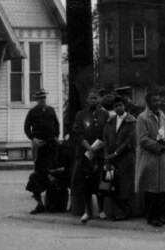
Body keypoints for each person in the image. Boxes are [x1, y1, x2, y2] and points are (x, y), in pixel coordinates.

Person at [135, 90, 165, 227]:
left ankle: (161, 215)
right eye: (154, 101)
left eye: (158, 100)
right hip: (149, 157)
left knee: (162, 188)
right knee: (151, 189)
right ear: (148, 102)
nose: (157, 103)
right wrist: (158, 146)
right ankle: (151, 217)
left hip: (162, 157)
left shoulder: (162, 115)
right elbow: (143, 140)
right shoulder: (142, 118)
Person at [71, 89, 109, 221]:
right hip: (86, 154)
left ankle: (102, 210)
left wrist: (103, 145)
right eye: (91, 98)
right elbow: (78, 133)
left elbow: (107, 132)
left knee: (101, 183)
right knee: (86, 183)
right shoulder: (80, 115)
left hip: (100, 154)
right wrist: (88, 147)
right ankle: (88, 211)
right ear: (87, 100)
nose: (94, 100)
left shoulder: (104, 114)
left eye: (96, 98)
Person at [24, 90, 62, 214]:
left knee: (54, 173)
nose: (42, 100)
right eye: (40, 98)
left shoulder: (51, 110)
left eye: (44, 98)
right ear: (37, 99)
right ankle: (39, 204)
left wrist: (56, 136)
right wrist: (33, 139)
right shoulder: (33, 112)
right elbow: (26, 127)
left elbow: (56, 124)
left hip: (51, 146)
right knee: (37, 175)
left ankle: (55, 203)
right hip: (40, 146)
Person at [102, 96, 137, 221]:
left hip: (126, 158)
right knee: (113, 185)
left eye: (120, 105)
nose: (118, 108)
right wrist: (107, 155)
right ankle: (116, 211)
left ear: (124, 106)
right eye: (115, 106)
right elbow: (105, 138)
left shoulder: (131, 121)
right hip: (112, 158)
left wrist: (116, 153)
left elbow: (130, 141)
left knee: (125, 185)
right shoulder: (110, 121)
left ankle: (124, 211)